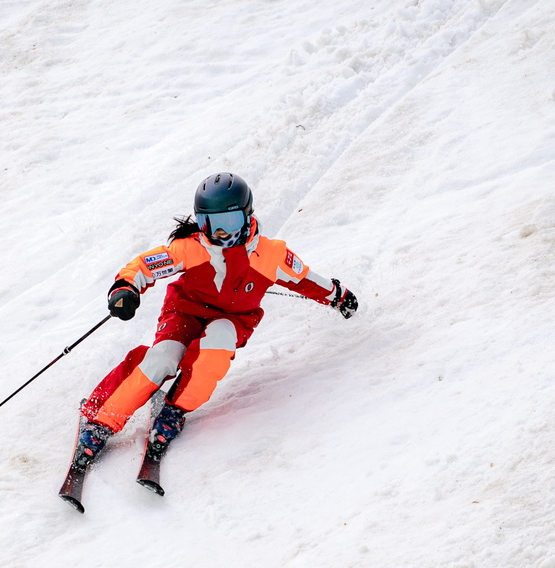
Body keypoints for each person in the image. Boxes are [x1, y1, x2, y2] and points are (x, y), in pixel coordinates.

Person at [70, 172, 358, 469]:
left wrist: (338, 295)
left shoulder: (271, 256)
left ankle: (174, 411)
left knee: (215, 349)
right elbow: (145, 265)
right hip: (184, 313)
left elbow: (304, 278)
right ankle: (101, 419)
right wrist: (125, 288)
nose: (221, 234)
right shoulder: (193, 247)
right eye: (210, 224)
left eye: (229, 224)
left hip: (233, 319)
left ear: (247, 216)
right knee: (162, 359)